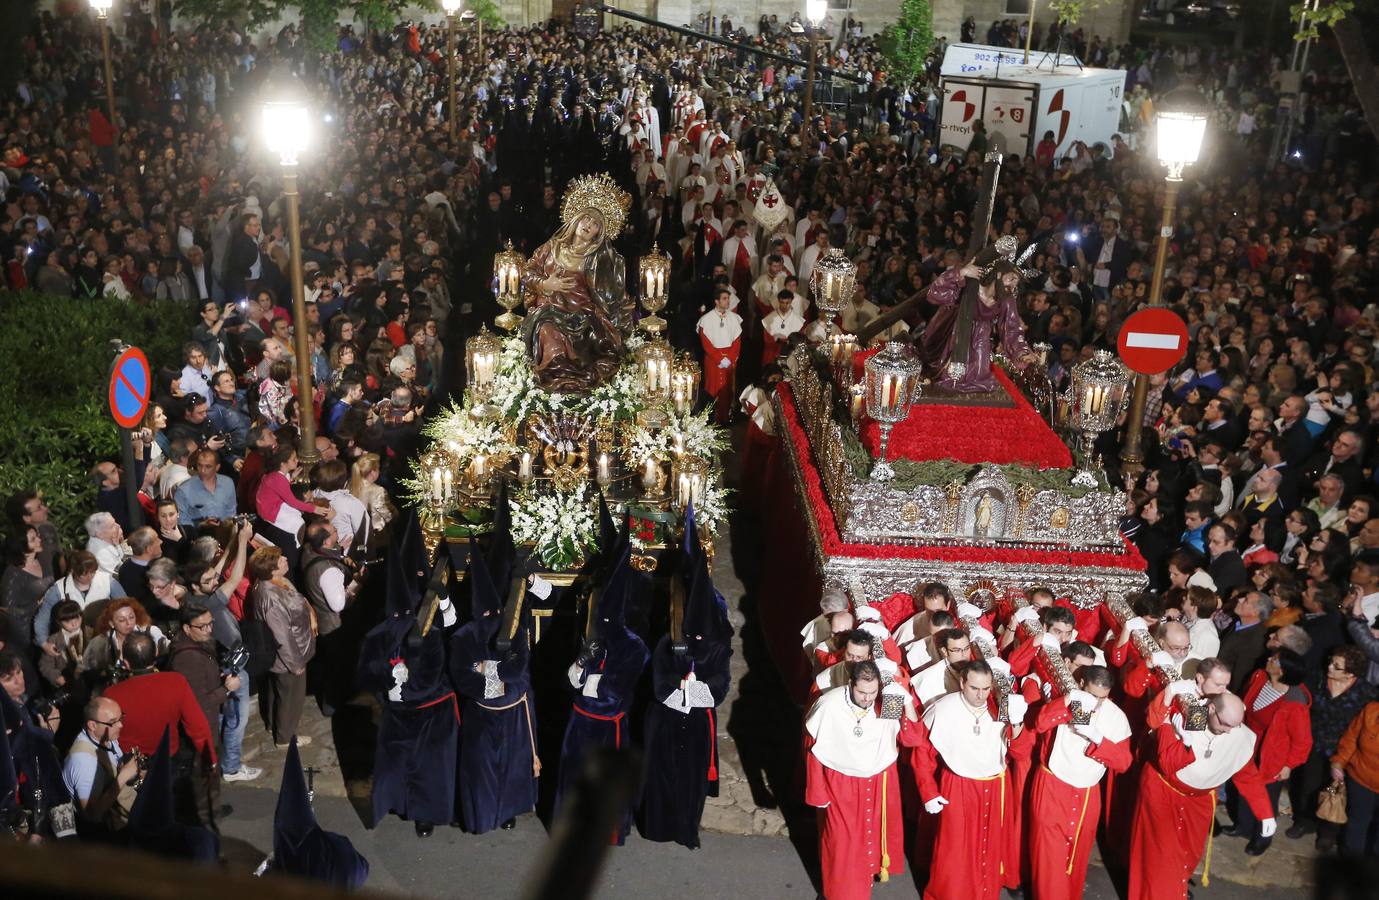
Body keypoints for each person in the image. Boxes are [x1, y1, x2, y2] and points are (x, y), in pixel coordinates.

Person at [1127, 693, 1276, 900]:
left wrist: (1266, 814)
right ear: (1211, 709)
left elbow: (1248, 776)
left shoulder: (1236, 732)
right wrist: (1185, 740)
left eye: (1235, 726)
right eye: (1225, 725)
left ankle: (1175, 891)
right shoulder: (1187, 715)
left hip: (1198, 804)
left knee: (1188, 857)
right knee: (1160, 861)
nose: (1229, 731)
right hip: (1163, 796)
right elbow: (1167, 764)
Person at [637, 551, 734, 849]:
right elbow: (659, 681)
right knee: (661, 777)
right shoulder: (668, 642)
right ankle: (658, 827)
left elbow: (721, 681)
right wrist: (679, 688)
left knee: (691, 782)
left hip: (696, 726)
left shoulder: (717, 648)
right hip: (665, 723)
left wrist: (697, 690)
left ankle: (687, 830)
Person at [913, 659, 1029, 900]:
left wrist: (1017, 723)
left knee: (990, 845)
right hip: (958, 785)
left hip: (996, 784)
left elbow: (1020, 752)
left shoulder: (1000, 706)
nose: (980, 695)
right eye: (975, 688)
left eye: (986, 689)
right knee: (954, 848)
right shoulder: (943, 708)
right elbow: (922, 755)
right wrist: (929, 792)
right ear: (962, 682)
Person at [804, 659, 919, 900]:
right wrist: (818, 791)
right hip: (840, 784)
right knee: (841, 845)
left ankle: (862, 886)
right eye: (862, 692)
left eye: (872, 692)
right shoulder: (829, 704)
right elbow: (813, 748)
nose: (867, 698)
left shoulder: (886, 702)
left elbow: (912, 739)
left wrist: (907, 701)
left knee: (869, 839)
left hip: (877, 782)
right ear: (850, 684)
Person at [556, 545, 647, 844]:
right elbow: (571, 682)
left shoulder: (633, 647)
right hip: (580, 721)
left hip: (608, 726)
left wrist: (588, 679)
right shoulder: (594, 637)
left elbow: (614, 690)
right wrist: (581, 661)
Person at [450, 557, 541, 835]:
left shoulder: (514, 630)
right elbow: (462, 677)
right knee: (482, 771)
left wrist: (486, 668)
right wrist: (496, 681)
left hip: (513, 712)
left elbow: (517, 670)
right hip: (482, 714)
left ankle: (508, 812)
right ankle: (483, 815)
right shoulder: (464, 636)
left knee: (512, 768)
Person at [1027, 666, 1133, 900]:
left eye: (1102, 698)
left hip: (1087, 795)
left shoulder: (1115, 716)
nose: (1096, 703)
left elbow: (1124, 762)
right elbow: (1041, 723)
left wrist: (1097, 738)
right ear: (1082, 683)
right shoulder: (1065, 698)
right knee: (1049, 862)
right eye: (1093, 695)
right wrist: (1067, 700)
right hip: (1053, 787)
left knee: (1075, 860)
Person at [521, 174, 630, 391]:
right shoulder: (553, 248)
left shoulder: (599, 259)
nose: (589, 225)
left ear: (600, 233)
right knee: (547, 330)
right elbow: (527, 271)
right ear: (576, 219)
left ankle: (578, 379)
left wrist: (620, 318)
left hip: (583, 316)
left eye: (596, 224)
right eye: (586, 219)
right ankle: (559, 378)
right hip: (550, 311)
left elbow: (613, 294)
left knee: (594, 342)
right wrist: (544, 284)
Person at [921, 239, 1040, 394]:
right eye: (1011, 279)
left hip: (980, 340)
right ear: (998, 275)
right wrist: (962, 272)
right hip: (953, 331)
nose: (1012, 286)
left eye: (1016, 284)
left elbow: (1011, 328)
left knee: (977, 377)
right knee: (944, 374)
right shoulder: (971, 285)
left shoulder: (1006, 299)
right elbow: (936, 294)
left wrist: (1022, 352)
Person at [1225, 648, 1312, 854]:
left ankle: (1262, 837)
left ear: (1283, 671)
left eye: (1275, 660)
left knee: (1266, 797)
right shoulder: (1259, 677)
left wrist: (1289, 765)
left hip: (1271, 756)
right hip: (1246, 746)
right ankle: (1243, 827)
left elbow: (1302, 741)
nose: (1269, 659)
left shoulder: (1294, 702)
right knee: (1243, 788)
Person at [249, 546, 316, 748]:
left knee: (276, 691)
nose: (286, 559)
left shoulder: (274, 584)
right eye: (280, 560)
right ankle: (285, 737)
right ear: (272, 570)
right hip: (288, 657)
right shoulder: (271, 598)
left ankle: (273, 724)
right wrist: (295, 664)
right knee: (290, 698)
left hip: (284, 654)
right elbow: (282, 636)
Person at [61, 695, 142, 836]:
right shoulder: (85, 763)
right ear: (92, 725)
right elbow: (92, 816)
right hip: (106, 834)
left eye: (121, 718)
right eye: (113, 722)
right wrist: (123, 777)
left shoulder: (104, 737)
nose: (121, 725)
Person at [697, 287, 743, 424]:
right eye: (724, 298)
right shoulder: (706, 319)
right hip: (713, 360)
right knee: (713, 388)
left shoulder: (734, 318)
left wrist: (730, 358)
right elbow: (706, 343)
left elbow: (737, 341)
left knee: (728, 389)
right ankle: (713, 418)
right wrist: (719, 358)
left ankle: (726, 417)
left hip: (730, 360)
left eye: (728, 298)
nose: (727, 301)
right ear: (717, 301)